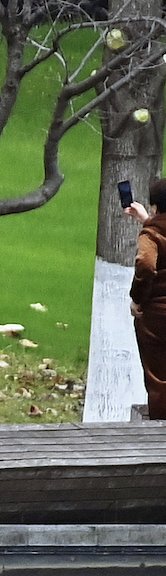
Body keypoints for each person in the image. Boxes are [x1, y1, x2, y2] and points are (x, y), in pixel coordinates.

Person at [128, 180, 166, 420]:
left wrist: (137, 298)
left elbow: (146, 263)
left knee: (159, 379)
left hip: (157, 316)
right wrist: (147, 221)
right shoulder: (152, 228)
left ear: (154, 207)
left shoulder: (150, 235)